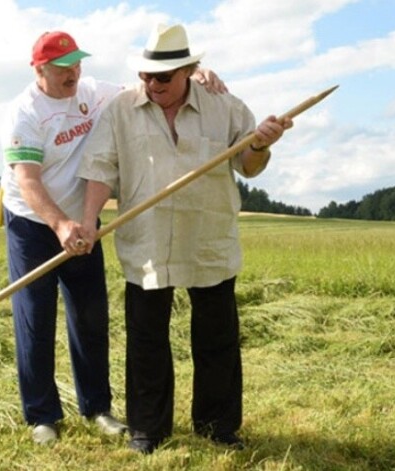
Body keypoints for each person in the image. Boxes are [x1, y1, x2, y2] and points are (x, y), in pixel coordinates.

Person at [0, 30, 227, 445]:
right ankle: (42, 416)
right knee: (35, 318)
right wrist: (59, 225)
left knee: (90, 317)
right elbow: (27, 180)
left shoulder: (93, 92)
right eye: (63, 68)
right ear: (39, 70)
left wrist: (197, 75)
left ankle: (97, 408)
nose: (74, 74)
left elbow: (154, 87)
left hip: (84, 222)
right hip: (34, 223)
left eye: (77, 64)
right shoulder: (24, 113)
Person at [75, 23, 293, 454]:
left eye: (162, 78)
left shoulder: (224, 106)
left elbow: (248, 166)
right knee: (146, 340)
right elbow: (100, 168)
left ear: (190, 70)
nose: (152, 85)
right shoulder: (120, 110)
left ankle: (217, 427)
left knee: (216, 339)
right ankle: (148, 429)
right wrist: (88, 222)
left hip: (208, 237)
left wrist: (264, 144)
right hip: (147, 241)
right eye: (145, 76)